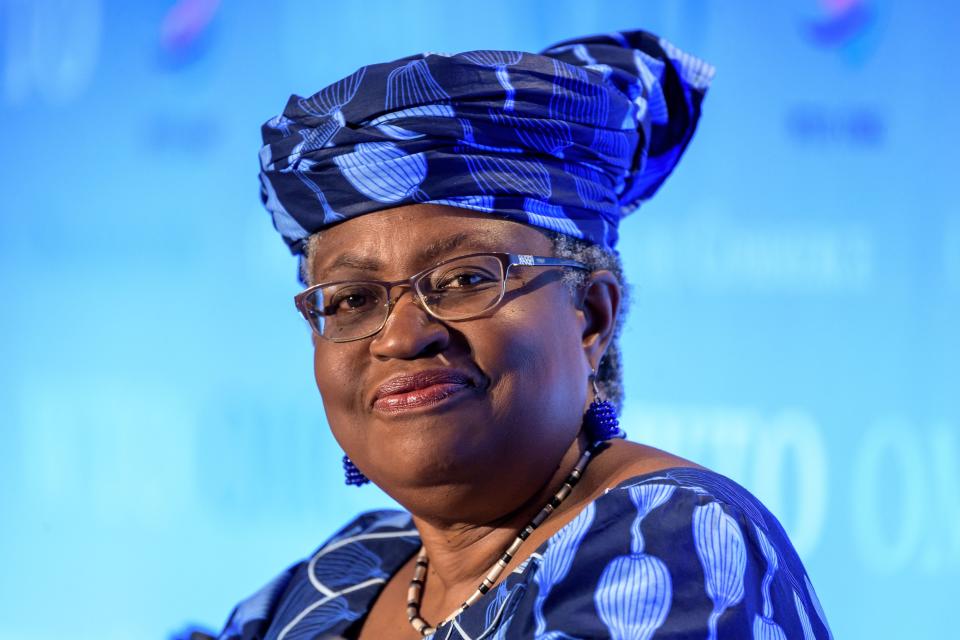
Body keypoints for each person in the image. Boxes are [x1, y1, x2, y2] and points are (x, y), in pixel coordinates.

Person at [213, 30, 832, 640]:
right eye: (352, 299)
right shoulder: (351, 568)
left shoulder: (669, 540)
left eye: (463, 279)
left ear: (589, 314)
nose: (402, 337)